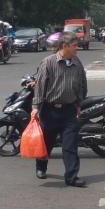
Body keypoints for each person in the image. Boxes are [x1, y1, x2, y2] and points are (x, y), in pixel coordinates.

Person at [30, 32, 88, 187]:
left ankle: (72, 177)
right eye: (75, 45)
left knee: (70, 145)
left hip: (69, 111)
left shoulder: (77, 62)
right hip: (50, 111)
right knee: (47, 142)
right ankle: (41, 167)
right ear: (65, 46)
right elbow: (40, 86)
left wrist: (78, 103)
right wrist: (35, 107)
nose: (77, 48)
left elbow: (82, 83)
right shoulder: (48, 62)